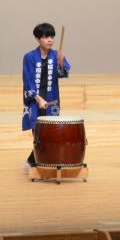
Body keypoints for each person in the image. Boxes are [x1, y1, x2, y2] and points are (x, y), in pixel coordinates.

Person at [21, 22, 70, 172]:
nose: (50, 39)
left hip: (51, 102)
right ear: (38, 38)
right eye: (46, 37)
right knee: (38, 136)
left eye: (52, 36)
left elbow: (64, 74)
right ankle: (34, 162)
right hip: (34, 103)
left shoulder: (56, 55)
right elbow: (28, 80)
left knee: (51, 135)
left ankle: (37, 162)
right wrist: (37, 98)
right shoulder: (29, 57)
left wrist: (61, 63)